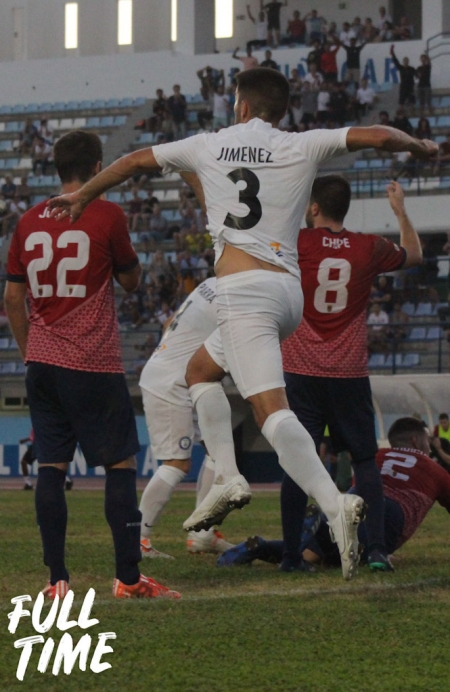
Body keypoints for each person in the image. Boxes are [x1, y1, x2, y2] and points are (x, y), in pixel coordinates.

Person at [47, 68, 437, 582]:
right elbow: (380, 137)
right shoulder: (302, 143)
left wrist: (82, 197)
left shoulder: (208, 144)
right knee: (200, 371)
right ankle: (229, 476)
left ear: (241, 106)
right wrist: (420, 147)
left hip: (243, 292)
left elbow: (132, 162)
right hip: (287, 295)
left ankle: (334, 503)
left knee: (271, 412)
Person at [5, 130, 180, 601]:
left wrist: (29, 351)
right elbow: (130, 280)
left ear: (57, 167)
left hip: (42, 362)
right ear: (99, 166)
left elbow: (13, 297)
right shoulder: (106, 213)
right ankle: (127, 577)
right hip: (92, 361)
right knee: (120, 463)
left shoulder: (26, 221)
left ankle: (56, 580)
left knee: (51, 467)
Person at [279, 176, 421, 572]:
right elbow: (413, 254)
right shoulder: (369, 246)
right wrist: (400, 211)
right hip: (349, 371)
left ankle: (291, 556)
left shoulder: (298, 243)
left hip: (301, 370)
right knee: (362, 461)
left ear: (314, 208)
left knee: (297, 462)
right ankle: (375, 550)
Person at [218, 417, 450, 569]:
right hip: (390, 514)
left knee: (323, 553)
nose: (430, 445)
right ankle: (362, 546)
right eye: (428, 440)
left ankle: (264, 545)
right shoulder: (435, 469)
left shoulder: (374, 457)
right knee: (342, 557)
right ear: (415, 440)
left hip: (353, 500)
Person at [139, 277, 234, 558]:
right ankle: (138, 539)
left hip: (180, 377)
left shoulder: (213, 282)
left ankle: (202, 534)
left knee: (218, 451)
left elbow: (168, 323)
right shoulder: (239, 295)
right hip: (171, 382)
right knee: (177, 463)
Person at [390, 45, 416, 110]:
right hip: (403, 86)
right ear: (403, 62)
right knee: (401, 102)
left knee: (412, 102)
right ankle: (401, 112)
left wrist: (418, 76)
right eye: (405, 61)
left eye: (407, 61)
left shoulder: (411, 69)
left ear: (408, 62)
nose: (406, 62)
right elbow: (395, 61)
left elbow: (417, 74)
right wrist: (392, 52)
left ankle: (412, 113)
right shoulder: (401, 68)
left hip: (410, 87)